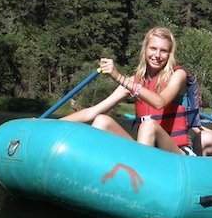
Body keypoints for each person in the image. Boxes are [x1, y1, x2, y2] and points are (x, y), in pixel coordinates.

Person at [62, 27, 199, 155]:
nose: (157, 55)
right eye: (153, 48)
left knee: (149, 125)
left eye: (163, 51)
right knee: (102, 120)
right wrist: (49, 124)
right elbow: (92, 112)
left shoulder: (178, 75)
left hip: (176, 153)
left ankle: (139, 174)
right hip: (146, 151)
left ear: (170, 54)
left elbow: (160, 102)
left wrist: (119, 78)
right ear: (145, 49)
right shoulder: (134, 81)